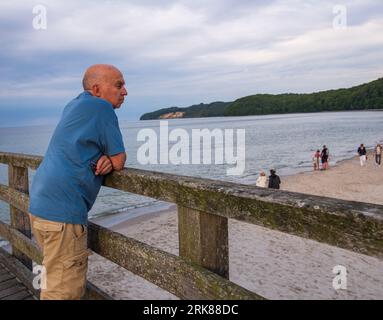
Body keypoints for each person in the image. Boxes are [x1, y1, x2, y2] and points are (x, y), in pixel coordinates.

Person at [28, 64, 127, 300]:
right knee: (63, 293)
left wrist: (103, 158)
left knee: (52, 281)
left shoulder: (73, 105)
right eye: (119, 85)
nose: (125, 92)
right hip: (63, 215)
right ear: (97, 89)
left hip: (40, 208)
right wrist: (109, 160)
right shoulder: (102, 108)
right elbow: (119, 159)